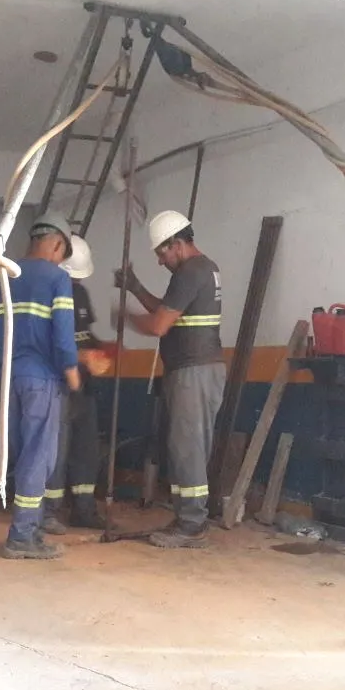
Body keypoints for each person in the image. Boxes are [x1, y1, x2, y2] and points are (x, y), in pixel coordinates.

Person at [114, 210, 225, 549]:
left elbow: (160, 324)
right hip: (195, 370)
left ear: (177, 244)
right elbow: (167, 309)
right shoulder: (202, 269)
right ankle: (188, 518)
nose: (160, 261)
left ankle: (192, 525)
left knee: (188, 448)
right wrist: (135, 288)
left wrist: (125, 319)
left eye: (162, 253)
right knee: (185, 446)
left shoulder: (191, 272)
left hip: (194, 372)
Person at [0, 210, 81, 560]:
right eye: (62, 253)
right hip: (41, 380)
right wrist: (71, 370)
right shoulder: (57, 279)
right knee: (39, 457)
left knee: (22, 455)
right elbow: (63, 335)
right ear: (57, 244)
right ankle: (22, 536)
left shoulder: (3, 277)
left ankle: (30, 530)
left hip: (9, 381)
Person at [43, 235, 108, 533]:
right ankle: (49, 512)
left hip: (84, 386)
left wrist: (102, 349)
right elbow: (50, 343)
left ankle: (84, 509)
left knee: (86, 449)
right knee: (56, 451)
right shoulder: (47, 296)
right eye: (74, 277)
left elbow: (84, 334)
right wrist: (83, 356)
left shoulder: (79, 294)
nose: (77, 283)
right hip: (57, 385)